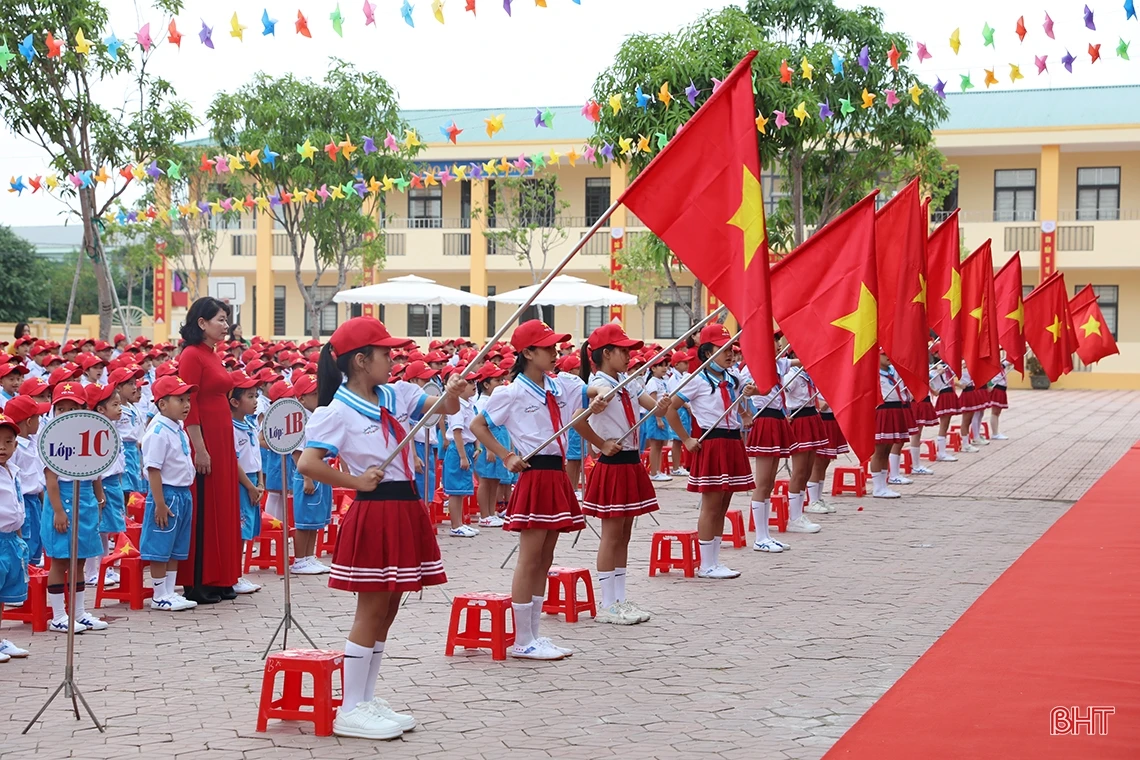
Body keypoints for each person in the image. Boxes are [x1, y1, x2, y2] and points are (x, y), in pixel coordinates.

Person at [298, 317, 464, 740]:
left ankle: (366, 698)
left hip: (404, 505)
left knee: (389, 609)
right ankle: (350, 708)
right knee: (371, 609)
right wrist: (355, 481)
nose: (393, 359)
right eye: (385, 353)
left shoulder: (395, 394)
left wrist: (454, 392)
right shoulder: (337, 411)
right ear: (359, 360)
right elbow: (309, 462)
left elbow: (443, 409)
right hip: (376, 508)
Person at [471, 320, 609, 660]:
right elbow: (478, 424)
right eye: (547, 347)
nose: (554, 352)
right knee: (530, 558)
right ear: (528, 353)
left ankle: (534, 634)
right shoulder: (511, 392)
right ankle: (522, 639)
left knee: (545, 558)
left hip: (556, 473)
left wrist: (597, 402)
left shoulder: (559, 385)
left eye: (555, 346)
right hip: (534, 474)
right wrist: (506, 455)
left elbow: (586, 397)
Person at [664, 324, 757, 578]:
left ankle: (715, 560)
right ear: (706, 352)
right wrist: (685, 439)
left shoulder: (734, 378)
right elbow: (670, 408)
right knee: (712, 504)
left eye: (731, 349)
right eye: (722, 349)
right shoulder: (696, 380)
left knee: (724, 503)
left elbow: (757, 392)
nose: (729, 354)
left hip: (732, 441)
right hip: (712, 442)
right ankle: (706, 564)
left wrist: (748, 403)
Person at [579, 323, 657, 625]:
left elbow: (653, 409)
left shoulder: (628, 380)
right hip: (612, 464)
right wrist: (600, 444)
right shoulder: (597, 385)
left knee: (625, 534)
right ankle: (607, 602)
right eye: (623, 350)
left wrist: (662, 402)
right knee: (611, 536)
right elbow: (577, 421)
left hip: (631, 462)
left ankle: (620, 598)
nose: (628, 356)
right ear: (606, 353)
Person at [176, 297, 242, 606]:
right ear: (201, 323)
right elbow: (189, 406)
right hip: (204, 440)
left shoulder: (213, 354)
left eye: (227, 320)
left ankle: (222, 576)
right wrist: (199, 448)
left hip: (223, 438)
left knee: (223, 506)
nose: (226, 326)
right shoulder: (191, 355)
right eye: (220, 320)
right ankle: (198, 582)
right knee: (205, 509)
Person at [42, 382, 108, 632]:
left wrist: (99, 497)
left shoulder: (90, 433)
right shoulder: (51, 436)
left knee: (80, 559)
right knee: (60, 560)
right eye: (61, 408)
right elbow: (51, 479)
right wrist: (58, 510)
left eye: (73, 407)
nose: (67, 413)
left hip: (86, 498)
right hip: (63, 499)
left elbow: (97, 470)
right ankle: (59, 616)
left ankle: (79, 612)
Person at [140, 376, 199, 612]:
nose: (186, 405)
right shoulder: (157, 431)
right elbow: (153, 469)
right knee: (160, 545)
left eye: (187, 399)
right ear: (162, 404)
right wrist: (160, 503)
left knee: (176, 545)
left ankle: (170, 591)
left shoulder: (178, 428)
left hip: (183, 493)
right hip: (166, 494)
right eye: (179, 399)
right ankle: (158, 594)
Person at [743, 333, 794, 553]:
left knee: (771, 482)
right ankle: (759, 537)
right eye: (773, 340)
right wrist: (746, 411)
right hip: (765, 419)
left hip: (777, 417)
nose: (778, 344)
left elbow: (800, 359)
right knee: (762, 482)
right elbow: (741, 392)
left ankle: (766, 535)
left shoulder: (779, 364)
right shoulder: (751, 368)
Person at [290, 373, 333, 574]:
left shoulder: (317, 416)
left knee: (316, 519)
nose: (318, 397)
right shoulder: (299, 420)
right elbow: (297, 453)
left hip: (320, 471)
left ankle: (309, 556)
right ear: (301, 399)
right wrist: (307, 478)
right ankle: (299, 559)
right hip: (307, 475)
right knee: (304, 519)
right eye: (313, 394)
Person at [84, 383, 126, 589]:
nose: (120, 408)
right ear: (100, 409)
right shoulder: (95, 431)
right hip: (102, 484)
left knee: (106, 530)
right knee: (97, 529)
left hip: (113, 482)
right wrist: (99, 492)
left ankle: (105, 566)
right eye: (115, 404)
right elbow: (95, 467)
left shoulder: (111, 428)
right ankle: (93, 571)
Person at [781, 364, 826, 534]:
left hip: (811, 416)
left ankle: (799, 514)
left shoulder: (810, 373)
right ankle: (794, 518)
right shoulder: (791, 375)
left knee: (808, 469)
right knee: (799, 470)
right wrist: (785, 413)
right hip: (799, 419)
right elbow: (780, 394)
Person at [230, 371, 263, 595]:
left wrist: (260, 482)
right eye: (250, 396)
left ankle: (239, 574)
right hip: (242, 484)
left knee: (248, 529)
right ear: (234, 401)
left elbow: (256, 456)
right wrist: (250, 486)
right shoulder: (230, 428)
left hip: (253, 482)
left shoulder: (249, 425)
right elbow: (234, 461)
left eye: (255, 396)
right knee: (238, 531)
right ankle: (234, 575)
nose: (255, 401)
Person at [0, 410, 30, 661]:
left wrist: (19, 536)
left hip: (10, 539)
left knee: (3, 593)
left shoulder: (13, 469)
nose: (2, 447)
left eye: (8, 442)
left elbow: (15, 505)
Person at [9, 395, 46, 568]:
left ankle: (32, 586)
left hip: (34, 502)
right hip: (22, 504)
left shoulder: (33, 442)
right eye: (38, 417)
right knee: (26, 545)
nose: (41, 420)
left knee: (37, 544)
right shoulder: (14, 448)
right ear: (29, 421)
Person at [471, 364, 510, 529]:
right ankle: (484, 515)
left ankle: (492, 513)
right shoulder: (482, 403)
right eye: (497, 380)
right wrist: (489, 448)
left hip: (499, 442)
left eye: (502, 380)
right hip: (489, 446)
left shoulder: (495, 401)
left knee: (494, 480)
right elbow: (482, 428)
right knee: (486, 481)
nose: (501, 383)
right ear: (486, 384)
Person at [443, 371, 479, 538]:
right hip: (459, 449)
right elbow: (457, 432)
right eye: (469, 382)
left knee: (462, 489)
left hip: (467, 447)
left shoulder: (469, 404)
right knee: (455, 490)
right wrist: (463, 456)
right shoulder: (457, 406)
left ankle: (461, 523)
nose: (473, 385)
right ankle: (455, 525)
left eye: (474, 381)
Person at [871, 355, 909, 498]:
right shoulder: (873, 372)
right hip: (883, 410)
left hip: (896, 409)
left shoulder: (894, 371)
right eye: (884, 354)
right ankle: (877, 487)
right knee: (879, 450)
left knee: (887, 449)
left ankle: (883, 485)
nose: (888, 357)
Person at [641, 359, 673, 482]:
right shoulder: (652, 382)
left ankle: (658, 470)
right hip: (655, 416)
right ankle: (654, 472)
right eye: (661, 366)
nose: (664, 368)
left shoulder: (663, 381)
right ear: (653, 368)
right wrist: (658, 419)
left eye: (666, 365)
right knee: (655, 445)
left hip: (662, 414)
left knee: (660, 445)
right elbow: (653, 403)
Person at [989, 357, 1011, 440]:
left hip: (1001, 389)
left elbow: (1011, 360)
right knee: (995, 412)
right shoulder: (992, 366)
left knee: (997, 412)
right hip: (996, 388)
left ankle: (996, 432)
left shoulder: (1001, 365)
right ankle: (995, 433)